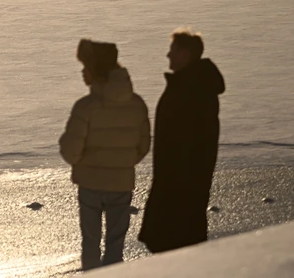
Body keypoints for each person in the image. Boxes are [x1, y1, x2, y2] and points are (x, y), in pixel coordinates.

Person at [59, 39, 151, 271]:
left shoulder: (85, 107)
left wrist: (84, 163)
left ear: (94, 71)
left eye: (85, 68)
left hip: (90, 184)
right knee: (115, 244)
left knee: (90, 243)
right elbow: (143, 146)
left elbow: (70, 151)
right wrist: (122, 163)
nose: (82, 73)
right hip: (121, 183)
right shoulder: (137, 104)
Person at [138, 28, 226, 253]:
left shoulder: (192, 90)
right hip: (178, 184)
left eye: (173, 51)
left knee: (174, 246)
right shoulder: (190, 86)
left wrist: (173, 184)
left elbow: (192, 144)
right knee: (174, 246)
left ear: (185, 54)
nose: (168, 55)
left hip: (179, 187)